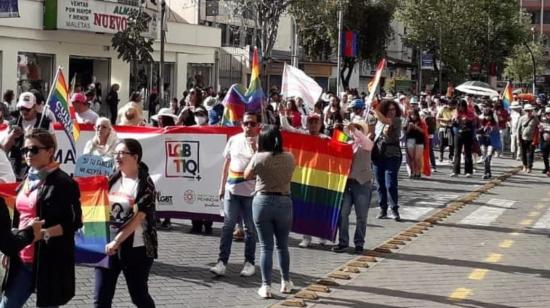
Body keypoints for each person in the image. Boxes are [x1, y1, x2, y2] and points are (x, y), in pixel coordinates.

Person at [1, 128, 82, 307]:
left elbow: (74, 221)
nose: (28, 154)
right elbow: (19, 217)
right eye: (25, 150)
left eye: (34, 149)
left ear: (50, 151)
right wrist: (10, 247)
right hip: (21, 258)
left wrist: (44, 233)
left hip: (48, 261)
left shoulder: (63, 183)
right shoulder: (27, 179)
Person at [94, 139, 157, 308]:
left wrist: (117, 241)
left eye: (122, 153)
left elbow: (138, 218)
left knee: (139, 296)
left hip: (136, 249)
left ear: (135, 157)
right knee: (101, 298)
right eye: (116, 153)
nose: (117, 156)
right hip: (106, 246)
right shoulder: (110, 179)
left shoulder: (146, 184)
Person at [244, 125, 295, 298]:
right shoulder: (289, 157)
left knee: (266, 247)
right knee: (282, 246)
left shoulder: (259, 157)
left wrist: (255, 153)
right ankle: (286, 282)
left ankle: (266, 286)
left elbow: (246, 174)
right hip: (284, 201)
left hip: (262, 201)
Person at [210, 112, 259, 277]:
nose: (249, 127)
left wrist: (254, 148)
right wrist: (221, 187)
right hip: (232, 190)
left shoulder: (261, 142)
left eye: (252, 124)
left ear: (257, 125)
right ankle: (222, 262)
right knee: (228, 226)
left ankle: (249, 262)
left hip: (251, 193)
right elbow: (227, 163)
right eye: (246, 123)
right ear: (241, 124)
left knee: (249, 228)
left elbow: (262, 165)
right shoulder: (234, 139)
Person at [278, 107, 328, 248]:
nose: (313, 125)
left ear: (320, 124)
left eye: (316, 122)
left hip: (320, 179)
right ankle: (306, 237)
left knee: (320, 207)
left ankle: (322, 235)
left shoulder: (326, 139)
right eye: (311, 122)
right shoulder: (302, 135)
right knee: (305, 207)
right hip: (304, 178)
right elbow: (287, 128)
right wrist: (282, 115)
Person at [332, 120, 373, 254]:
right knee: (343, 214)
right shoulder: (347, 144)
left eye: (358, 128)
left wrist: (355, 131)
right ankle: (343, 242)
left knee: (361, 216)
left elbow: (364, 141)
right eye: (353, 128)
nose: (355, 130)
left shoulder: (367, 143)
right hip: (347, 183)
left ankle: (359, 243)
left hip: (362, 183)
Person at [3, 92, 54, 181]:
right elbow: (4, 150)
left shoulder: (45, 122)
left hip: (38, 167)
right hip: (17, 168)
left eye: (27, 108)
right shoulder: (13, 123)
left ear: (34, 107)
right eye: (21, 108)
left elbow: (53, 146)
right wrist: (11, 137)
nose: (23, 111)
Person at [372, 100, 403, 221]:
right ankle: (383, 209)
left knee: (390, 183)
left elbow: (387, 123)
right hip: (378, 154)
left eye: (393, 109)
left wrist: (374, 110)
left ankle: (394, 209)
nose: (391, 112)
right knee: (380, 184)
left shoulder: (397, 120)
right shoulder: (378, 123)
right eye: (389, 109)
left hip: (392, 154)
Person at [450, 100, 476, 177]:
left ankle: (468, 171)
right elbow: (452, 122)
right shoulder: (455, 112)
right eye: (459, 106)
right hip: (458, 134)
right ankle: (455, 171)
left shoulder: (470, 112)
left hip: (468, 133)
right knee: (457, 152)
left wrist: (467, 119)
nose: (461, 108)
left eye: (462, 106)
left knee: (468, 152)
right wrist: (455, 119)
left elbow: (474, 121)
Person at [516, 104, 540, 173]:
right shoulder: (522, 118)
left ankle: (529, 167)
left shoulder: (535, 118)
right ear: (525, 111)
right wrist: (518, 139)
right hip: (523, 138)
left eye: (530, 111)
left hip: (532, 139)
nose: (529, 112)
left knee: (531, 153)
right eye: (527, 111)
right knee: (523, 153)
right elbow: (518, 129)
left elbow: (539, 125)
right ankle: (524, 165)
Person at [404, 109, 426, 179]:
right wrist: (409, 128)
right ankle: (412, 171)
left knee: (417, 158)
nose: (413, 116)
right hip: (410, 140)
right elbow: (405, 133)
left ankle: (418, 171)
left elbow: (424, 132)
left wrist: (416, 127)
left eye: (414, 114)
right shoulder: (407, 122)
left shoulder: (421, 122)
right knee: (412, 158)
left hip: (419, 141)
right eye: (411, 115)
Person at [478, 110, 499, 179]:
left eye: (488, 115)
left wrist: (497, 145)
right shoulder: (482, 122)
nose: (487, 117)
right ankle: (488, 173)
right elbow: (478, 131)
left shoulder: (495, 124)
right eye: (486, 115)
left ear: (491, 116)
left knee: (488, 157)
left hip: (491, 141)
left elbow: (496, 135)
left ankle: (486, 173)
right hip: (483, 141)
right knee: (484, 157)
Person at [539, 107, 550, 176]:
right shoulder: (543, 120)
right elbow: (540, 129)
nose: (548, 115)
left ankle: (549, 170)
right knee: (545, 155)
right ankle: (546, 168)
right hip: (544, 140)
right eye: (547, 114)